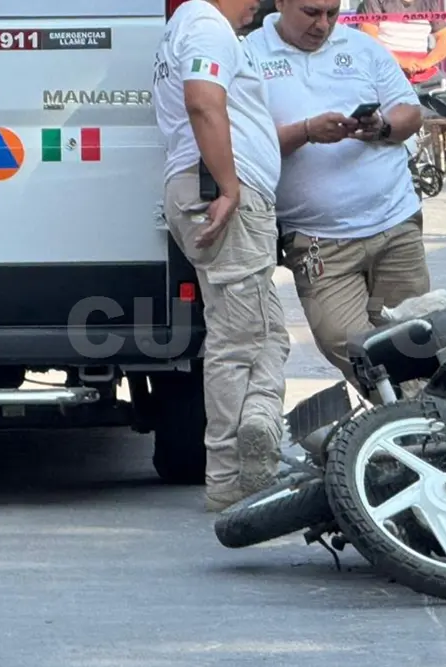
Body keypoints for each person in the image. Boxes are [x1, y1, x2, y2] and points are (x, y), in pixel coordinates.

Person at [243, 0, 429, 387]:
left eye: (332, 13)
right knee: (344, 341)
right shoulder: (249, 56)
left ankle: (417, 432)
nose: (323, 24)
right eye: (311, 12)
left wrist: (380, 127)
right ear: (280, 3)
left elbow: (410, 112)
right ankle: (408, 421)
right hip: (317, 240)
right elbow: (241, 145)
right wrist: (306, 131)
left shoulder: (362, 48)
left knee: (411, 337)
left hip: (394, 223)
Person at [153, 0, 290, 512]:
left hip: (201, 186)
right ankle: (233, 477)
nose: (260, 3)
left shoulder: (181, 29)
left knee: (265, 331)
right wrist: (231, 187)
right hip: (220, 192)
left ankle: (256, 426)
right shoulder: (207, 25)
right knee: (242, 340)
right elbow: (204, 101)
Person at [358, 0, 446, 185]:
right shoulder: (375, 2)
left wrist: (427, 62)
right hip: (388, 74)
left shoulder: (429, 3)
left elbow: (445, 39)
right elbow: (369, 36)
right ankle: (399, 171)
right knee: (399, 123)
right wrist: (399, 61)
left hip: (425, 73)